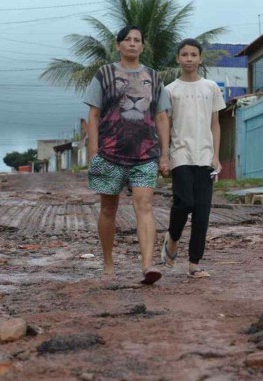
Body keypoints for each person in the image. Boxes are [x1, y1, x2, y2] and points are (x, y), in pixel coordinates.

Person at [83, 25, 170, 285]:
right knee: (108, 208)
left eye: (137, 40)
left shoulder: (154, 78)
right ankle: (108, 264)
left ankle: (147, 266)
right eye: (127, 40)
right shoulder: (104, 74)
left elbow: (162, 116)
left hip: (145, 155)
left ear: (142, 46)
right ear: (118, 45)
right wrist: (93, 151)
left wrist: (165, 154)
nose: (132, 44)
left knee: (144, 206)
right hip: (110, 154)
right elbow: (93, 114)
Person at [162, 38, 226, 278]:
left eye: (193, 55)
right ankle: (173, 237)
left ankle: (194, 264)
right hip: (180, 155)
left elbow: (215, 125)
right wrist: (164, 155)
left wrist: (216, 157)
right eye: (184, 55)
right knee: (184, 203)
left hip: (205, 156)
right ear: (178, 58)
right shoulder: (170, 90)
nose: (189, 59)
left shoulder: (210, 87)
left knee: (202, 211)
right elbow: (165, 125)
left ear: (200, 59)